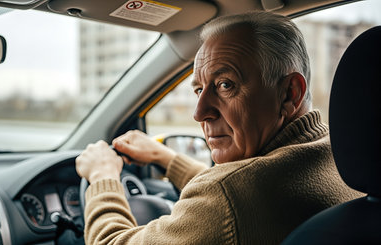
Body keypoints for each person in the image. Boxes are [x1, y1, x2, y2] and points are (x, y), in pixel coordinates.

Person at [75, 11, 362, 244]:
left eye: (226, 85)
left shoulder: (230, 198)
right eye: (199, 90)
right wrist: (167, 159)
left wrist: (102, 176)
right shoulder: (341, 159)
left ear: (289, 93)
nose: (199, 113)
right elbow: (242, 193)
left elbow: (111, 242)